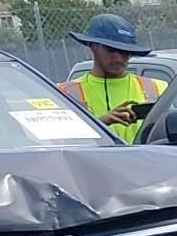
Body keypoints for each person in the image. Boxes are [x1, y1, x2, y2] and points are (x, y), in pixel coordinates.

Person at [66, 13, 159, 142]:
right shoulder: (64, 93)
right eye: (111, 50)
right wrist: (101, 123)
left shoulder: (158, 88)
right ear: (92, 46)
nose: (118, 58)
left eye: (124, 51)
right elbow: (58, 142)